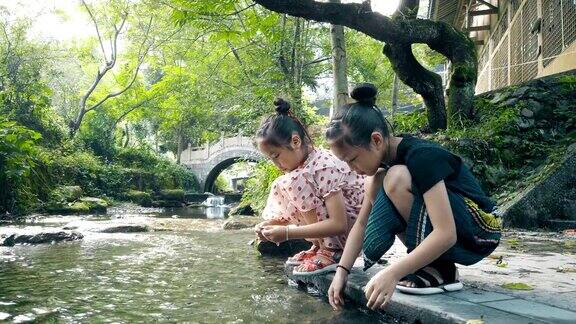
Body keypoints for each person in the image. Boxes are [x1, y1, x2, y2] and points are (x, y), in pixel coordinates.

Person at [325, 84, 502, 310]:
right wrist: (342, 271)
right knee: (381, 179)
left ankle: (441, 269)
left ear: (377, 140)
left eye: (353, 159)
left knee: (395, 177)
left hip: (483, 229)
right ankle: (434, 266)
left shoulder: (421, 157)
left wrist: (393, 272)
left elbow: (446, 233)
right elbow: (361, 223)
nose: (352, 168)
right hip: (459, 226)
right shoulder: (379, 172)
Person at [254, 98, 365, 276]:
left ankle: (333, 250)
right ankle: (319, 245)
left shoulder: (323, 166)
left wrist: (288, 234)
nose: (276, 163)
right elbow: (301, 213)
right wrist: (270, 226)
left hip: (356, 226)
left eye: (276, 156)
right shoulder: (303, 169)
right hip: (341, 225)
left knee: (294, 181)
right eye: (271, 159)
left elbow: (339, 224)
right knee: (282, 183)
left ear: (295, 142)